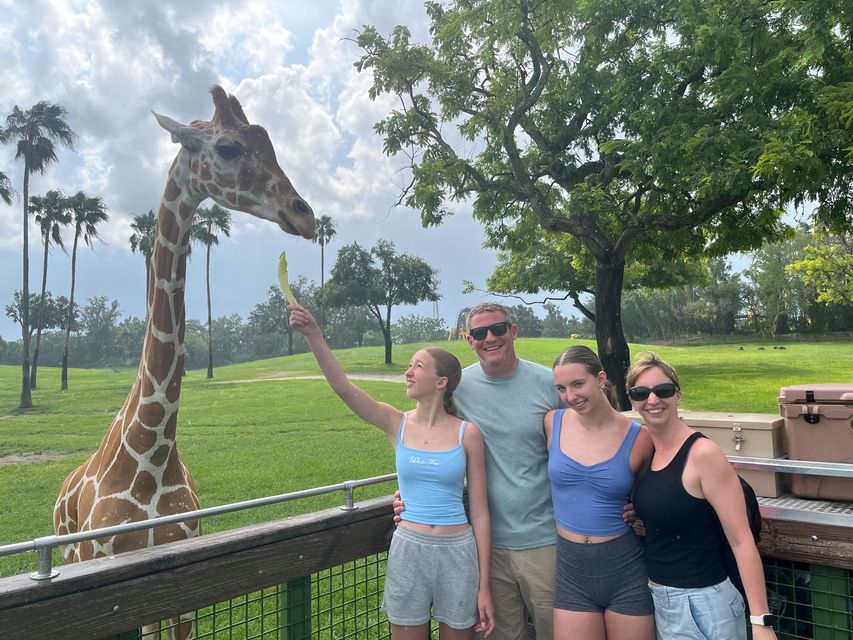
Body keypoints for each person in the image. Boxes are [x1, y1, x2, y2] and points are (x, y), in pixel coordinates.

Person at [289, 303, 494, 639]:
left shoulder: (467, 433)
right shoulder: (395, 422)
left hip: (458, 551)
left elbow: (481, 513)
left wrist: (485, 586)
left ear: (441, 381)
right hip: (409, 549)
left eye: (418, 366)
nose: (408, 372)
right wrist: (315, 336)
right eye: (409, 366)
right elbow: (344, 388)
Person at [397, 302, 561, 640]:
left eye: (498, 329)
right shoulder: (459, 388)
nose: (490, 338)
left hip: (543, 542)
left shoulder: (549, 384)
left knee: (555, 633)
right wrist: (411, 497)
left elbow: (586, 440)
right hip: (483, 548)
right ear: (469, 340)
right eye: (479, 333)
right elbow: (428, 439)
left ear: (513, 331)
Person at [628, 352, 778, 640]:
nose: (653, 400)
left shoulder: (702, 454)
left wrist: (761, 622)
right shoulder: (650, 450)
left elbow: (741, 540)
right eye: (641, 392)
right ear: (632, 399)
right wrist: (637, 509)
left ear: (678, 395)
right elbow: (673, 506)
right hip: (662, 601)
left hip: (703, 604)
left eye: (663, 390)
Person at [544, 345, 656, 640]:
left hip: (624, 569)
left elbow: (646, 494)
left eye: (578, 384)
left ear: (601, 378)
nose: (570, 396)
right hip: (571, 571)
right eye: (562, 388)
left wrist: (638, 507)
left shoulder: (639, 438)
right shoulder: (552, 423)